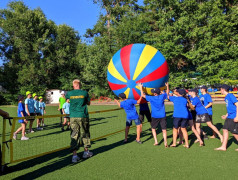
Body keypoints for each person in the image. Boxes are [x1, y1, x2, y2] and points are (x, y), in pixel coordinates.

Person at [65, 79, 93, 163]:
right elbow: (89, 103)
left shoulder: (69, 93)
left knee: (74, 134)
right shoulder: (84, 93)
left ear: (73, 85)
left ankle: (74, 155)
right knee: (85, 133)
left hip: (73, 116)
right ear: (80, 85)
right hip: (82, 116)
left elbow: (67, 100)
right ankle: (85, 152)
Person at [139, 83, 168, 147]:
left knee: (153, 129)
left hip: (155, 116)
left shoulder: (151, 98)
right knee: (164, 130)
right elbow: (167, 93)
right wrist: (167, 86)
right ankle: (165, 142)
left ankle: (156, 141)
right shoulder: (162, 96)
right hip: (162, 115)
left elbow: (142, 95)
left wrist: (141, 87)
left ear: (155, 93)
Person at [215, 84, 238, 151]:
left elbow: (237, 105)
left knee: (234, 132)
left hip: (234, 116)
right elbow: (231, 108)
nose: (220, 90)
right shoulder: (226, 97)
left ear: (223, 89)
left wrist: (237, 116)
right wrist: (226, 115)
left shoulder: (230, 95)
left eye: (220, 89)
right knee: (225, 130)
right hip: (229, 116)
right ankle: (223, 147)